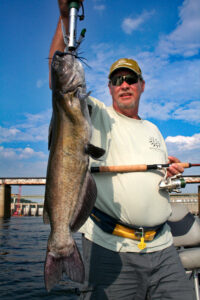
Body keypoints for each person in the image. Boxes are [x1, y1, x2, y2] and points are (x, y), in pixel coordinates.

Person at [49, 1, 195, 299]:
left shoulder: (154, 129)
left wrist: (165, 169)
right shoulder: (96, 114)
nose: (124, 84)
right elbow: (57, 77)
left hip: (164, 248)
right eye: (117, 80)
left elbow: (150, 174)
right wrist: (65, 18)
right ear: (109, 87)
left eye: (130, 79)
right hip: (111, 247)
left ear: (142, 85)